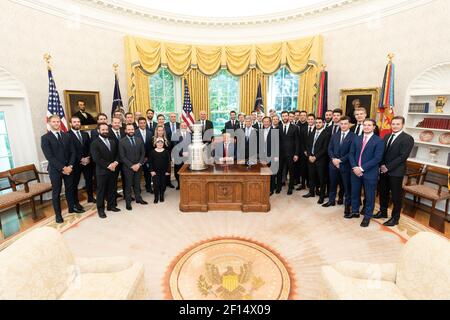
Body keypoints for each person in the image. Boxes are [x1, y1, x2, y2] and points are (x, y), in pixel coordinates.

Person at [375, 116, 414, 226]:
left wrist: (387, 167)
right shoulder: (387, 136)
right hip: (383, 170)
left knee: (396, 196)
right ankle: (383, 212)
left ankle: (395, 218)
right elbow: (382, 152)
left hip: (396, 172)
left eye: (398, 124)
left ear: (402, 125)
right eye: (393, 124)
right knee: (383, 193)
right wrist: (382, 165)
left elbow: (403, 157)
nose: (395, 126)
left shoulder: (407, 138)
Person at [41, 115, 77, 223]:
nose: (56, 123)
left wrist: (70, 166)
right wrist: (62, 168)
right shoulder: (45, 138)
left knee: (70, 189)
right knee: (56, 192)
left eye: (58, 121)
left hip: (69, 168)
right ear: (49, 123)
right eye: (54, 122)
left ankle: (72, 208)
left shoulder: (67, 136)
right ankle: (58, 215)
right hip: (55, 170)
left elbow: (73, 152)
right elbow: (49, 156)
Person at [348, 119, 384, 227]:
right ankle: (355, 211)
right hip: (355, 171)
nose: (366, 127)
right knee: (355, 192)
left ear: (374, 127)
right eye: (365, 125)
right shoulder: (357, 138)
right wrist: (355, 167)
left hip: (370, 173)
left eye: (369, 125)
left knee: (369, 196)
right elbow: (351, 154)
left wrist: (361, 168)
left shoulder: (379, 141)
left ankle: (367, 217)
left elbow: (377, 158)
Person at [323, 116, 355, 214]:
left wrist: (340, 161)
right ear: (339, 124)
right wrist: (333, 159)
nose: (343, 125)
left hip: (345, 165)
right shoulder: (335, 135)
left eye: (345, 123)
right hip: (333, 164)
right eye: (342, 124)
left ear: (349, 124)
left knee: (346, 186)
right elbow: (330, 149)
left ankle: (347, 206)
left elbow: (351, 152)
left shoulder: (354, 136)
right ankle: (331, 200)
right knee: (332, 184)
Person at [90, 123, 121, 218]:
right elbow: (97, 158)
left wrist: (115, 163)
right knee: (101, 191)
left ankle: (111, 206)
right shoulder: (94, 143)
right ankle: (101, 210)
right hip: (102, 171)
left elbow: (117, 154)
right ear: (99, 131)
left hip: (113, 170)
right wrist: (108, 165)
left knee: (112, 188)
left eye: (106, 130)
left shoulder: (112, 141)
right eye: (103, 130)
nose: (105, 131)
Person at [67, 116, 95, 210]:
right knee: (75, 184)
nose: (77, 123)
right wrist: (81, 159)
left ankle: (90, 197)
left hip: (87, 162)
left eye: (78, 122)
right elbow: (71, 151)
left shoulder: (85, 134)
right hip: (75, 164)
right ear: (70, 123)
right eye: (74, 122)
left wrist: (88, 157)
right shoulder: (67, 135)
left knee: (89, 181)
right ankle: (76, 202)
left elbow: (90, 147)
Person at [119, 124, 148, 210]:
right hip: (128, 168)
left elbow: (143, 153)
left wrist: (139, 164)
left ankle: (138, 198)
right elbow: (122, 156)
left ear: (134, 130)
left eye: (132, 129)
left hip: (139, 166)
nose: (131, 131)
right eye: (129, 129)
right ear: (125, 130)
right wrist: (132, 166)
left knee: (137, 183)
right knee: (128, 185)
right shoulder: (121, 141)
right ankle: (128, 202)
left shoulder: (139, 140)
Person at [303, 118, 330, 203]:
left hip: (320, 160)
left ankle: (321, 196)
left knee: (321, 179)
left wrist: (315, 157)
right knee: (311, 177)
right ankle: (311, 192)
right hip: (310, 159)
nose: (318, 124)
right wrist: (310, 155)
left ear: (323, 123)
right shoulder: (312, 132)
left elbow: (325, 148)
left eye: (319, 122)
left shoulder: (326, 134)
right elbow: (308, 145)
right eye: (316, 122)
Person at [276, 111, 299, 195]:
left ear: (289, 117)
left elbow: (297, 142)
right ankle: (278, 187)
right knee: (279, 171)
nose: (285, 117)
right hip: (280, 154)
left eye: (286, 116)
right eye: (283, 116)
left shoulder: (295, 127)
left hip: (291, 153)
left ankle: (290, 188)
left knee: (291, 171)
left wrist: (296, 154)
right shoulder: (278, 127)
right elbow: (276, 142)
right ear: (281, 117)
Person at [108, 117, 126, 203]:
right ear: (111, 123)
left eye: (118, 122)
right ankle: (113, 198)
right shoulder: (107, 132)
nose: (117, 124)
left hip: (124, 160)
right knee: (113, 181)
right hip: (113, 161)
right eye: (115, 123)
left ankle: (127, 195)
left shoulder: (123, 131)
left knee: (126, 179)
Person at [259, 116, 278, 195]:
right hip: (262, 155)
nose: (266, 123)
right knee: (263, 172)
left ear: (270, 122)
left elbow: (277, 144)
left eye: (267, 121)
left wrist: (276, 156)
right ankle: (264, 188)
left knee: (272, 173)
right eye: (264, 121)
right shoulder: (260, 131)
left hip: (272, 155)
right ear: (262, 122)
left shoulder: (275, 131)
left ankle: (271, 189)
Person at [135, 117, 154, 193]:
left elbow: (151, 146)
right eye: (141, 123)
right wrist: (142, 157)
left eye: (144, 122)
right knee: (138, 175)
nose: (142, 124)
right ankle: (137, 189)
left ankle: (149, 187)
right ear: (138, 124)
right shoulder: (135, 133)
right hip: (138, 158)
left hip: (148, 157)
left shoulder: (150, 132)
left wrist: (147, 157)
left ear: (146, 123)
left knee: (148, 173)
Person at [149, 138, 171, 203]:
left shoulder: (166, 152)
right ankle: (156, 197)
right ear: (156, 143)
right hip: (155, 172)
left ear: (163, 144)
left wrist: (168, 171)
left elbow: (168, 162)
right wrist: (151, 171)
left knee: (163, 184)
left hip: (164, 172)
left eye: (161, 143)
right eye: (158, 142)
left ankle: (161, 195)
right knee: (156, 184)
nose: (160, 144)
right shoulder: (152, 152)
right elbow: (150, 162)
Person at [172, 122, 191, 189]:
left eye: (185, 125)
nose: (183, 127)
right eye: (182, 125)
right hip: (178, 156)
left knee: (187, 170)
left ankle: (187, 185)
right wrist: (181, 153)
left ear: (186, 126)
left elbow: (191, 144)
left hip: (188, 156)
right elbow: (175, 146)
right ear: (179, 126)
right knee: (178, 171)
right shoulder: (175, 134)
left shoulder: (190, 134)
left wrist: (188, 152)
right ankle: (179, 184)